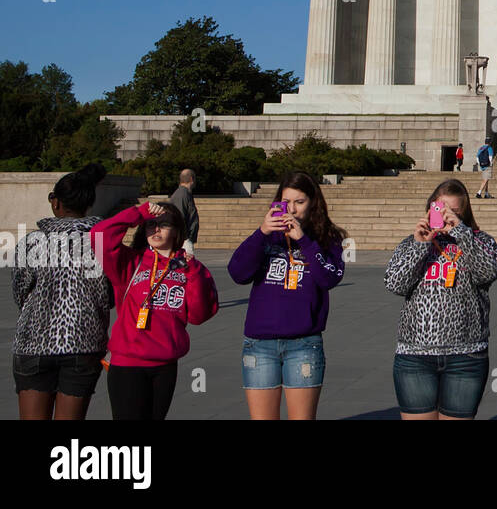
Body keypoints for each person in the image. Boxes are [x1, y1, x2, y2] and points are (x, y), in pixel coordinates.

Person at [228, 171, 348, 420]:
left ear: (313, 202)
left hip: (303, 343)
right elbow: (238, 273)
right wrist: (261, 233)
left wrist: (304, 240)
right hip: (260, 343)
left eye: (299, 202)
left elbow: (330, 278)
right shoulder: (267, 236)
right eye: (286, 202)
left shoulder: (327, 238)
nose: (291, 209)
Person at [385, 177, 497, 420]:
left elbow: (487, 272)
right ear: (429, 208)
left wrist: (460, 231)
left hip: (466, 356)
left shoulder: (480, 241)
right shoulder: (411, 243)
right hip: (415, 355)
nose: (446, 216)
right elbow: (394, 283)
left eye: (454, 211)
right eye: (440, 209)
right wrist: (420, 245)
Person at [91, 200, 219, 420]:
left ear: (177, 230)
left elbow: (199, 315)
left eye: (164, 224)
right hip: (127, 364)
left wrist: (193, 273)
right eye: (151, 224)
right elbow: (98, 234)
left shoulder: (189, 267)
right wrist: (138, 213)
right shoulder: (131, 262)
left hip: (165, 365)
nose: (156, 229)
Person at [12, 164, 113, 420]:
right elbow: (110, 295)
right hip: (83, 343)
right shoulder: (100, 242)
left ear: (56, 203)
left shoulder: (33, 242)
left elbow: (20, 292)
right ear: (89, 204)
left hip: (34, 342)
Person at [168, 168, 200, 255]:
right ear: (191, 179)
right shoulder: (182, 194)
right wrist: (185, 237)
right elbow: (179, 216)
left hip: (184, 238)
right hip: (184, 240)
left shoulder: (184, 193)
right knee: (187, 265)